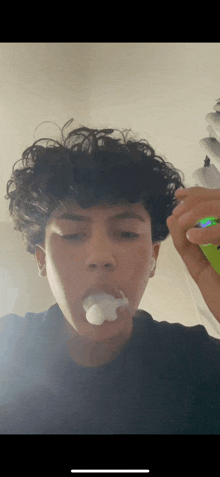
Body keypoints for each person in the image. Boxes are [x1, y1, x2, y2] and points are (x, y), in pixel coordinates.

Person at [1, 120, 220, 435]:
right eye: (74, 234)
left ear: (153, 258)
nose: (100, 257)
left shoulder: (202, 363)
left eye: (127, 232)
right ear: (42, 260)